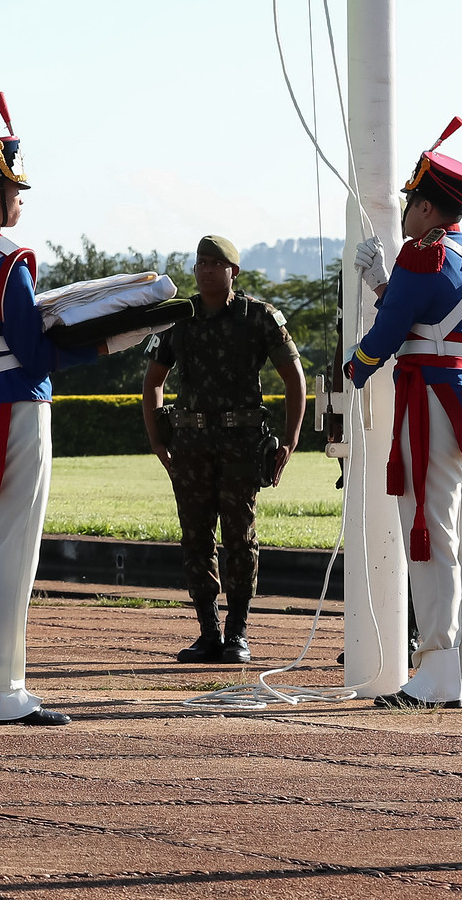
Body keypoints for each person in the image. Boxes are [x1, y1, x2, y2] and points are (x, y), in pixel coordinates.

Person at [0, 94, 139, 726]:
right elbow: (36, 355)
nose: (20, 199)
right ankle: (0, 690)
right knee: (14, 554)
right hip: (17, 407)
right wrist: (104, 342)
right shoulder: (8, 263)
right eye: (14, 188)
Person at [347, 118, 462, 710]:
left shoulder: (424, 253)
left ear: (427, 205)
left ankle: (436, 670)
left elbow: (390, 333)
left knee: (430, 533)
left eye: (412, 199)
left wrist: (354, 367)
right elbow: (432, 312)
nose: (407, 209)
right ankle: (461, 672)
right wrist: (388, 284)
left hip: (434, 403)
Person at [140, 235, 305, 664]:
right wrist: (158, 438)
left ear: (234, 272)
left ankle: (238, 633)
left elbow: (294, 379)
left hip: (240, 446)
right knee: (195, 539)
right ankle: (208, 632)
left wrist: (290, 439)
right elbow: (154, 381)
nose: (206, 270)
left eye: (216, 263)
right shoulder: (180, 318)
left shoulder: (259, 317)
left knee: (239, 539)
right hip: (190, 445)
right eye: (201, 263)